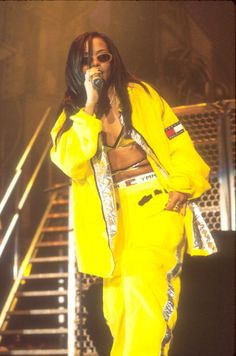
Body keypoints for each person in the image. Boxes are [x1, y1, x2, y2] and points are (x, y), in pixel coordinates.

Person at [50, 31, 217, 356]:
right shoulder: (72, 114)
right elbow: (70, 161)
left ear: (114, 59)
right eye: (87, 60)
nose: (95, 65)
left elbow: (178, 140)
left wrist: (181, 184)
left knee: (144, 285)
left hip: (156, 205)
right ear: (76, 66)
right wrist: (89, 105)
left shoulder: (142, 95)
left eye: (102, 56)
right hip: (111, 224)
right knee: (119, 310)